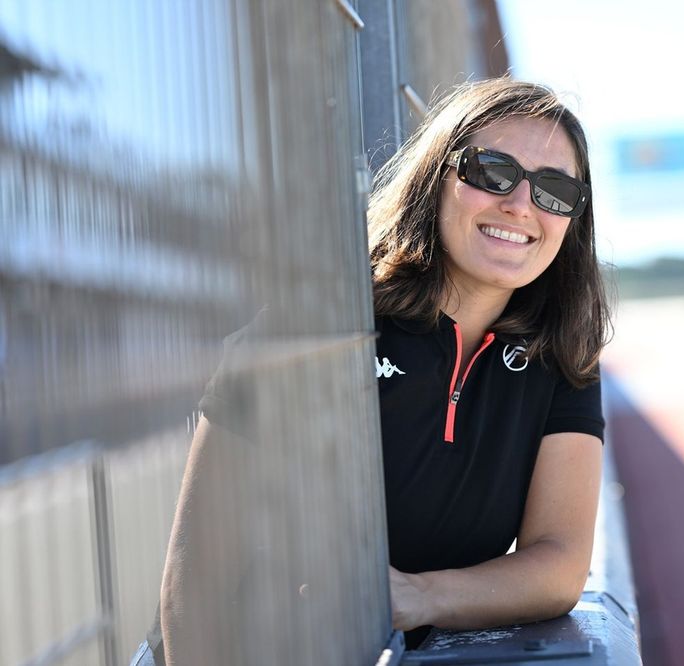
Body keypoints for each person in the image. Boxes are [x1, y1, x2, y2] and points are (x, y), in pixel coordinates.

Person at [148, 77, 611, 664]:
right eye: (492, 171)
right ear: (436, 178)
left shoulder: (563, 357)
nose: (521, 204)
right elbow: (198, 577)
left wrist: (417, 597)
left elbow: (558, 564)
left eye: (554, 189)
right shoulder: (314, 325)